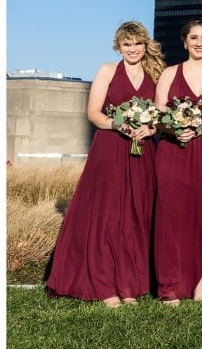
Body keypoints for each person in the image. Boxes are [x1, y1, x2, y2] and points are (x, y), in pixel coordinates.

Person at [47, 21, 165, 307]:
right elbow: (93, 113)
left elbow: (162, 114)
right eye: (126, 44)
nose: (132, 49)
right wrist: (118, 124)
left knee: (136, 217)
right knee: (108, 217)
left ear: (144, 44)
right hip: (111, 149)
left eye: (137, 43)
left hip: (143, 151)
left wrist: (150, 129)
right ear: (118, 46)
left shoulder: (157, 74)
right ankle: (106, 286)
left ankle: (130, 286)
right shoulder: (107, 70)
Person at [152, 18, 202, 306]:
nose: (199, 42)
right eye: (194, 38)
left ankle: (199, 284)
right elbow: (158, 113)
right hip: (173, 153)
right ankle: (170, 286)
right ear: (185, 42)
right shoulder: (169, 73)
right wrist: (175, 128)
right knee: (171, 218)